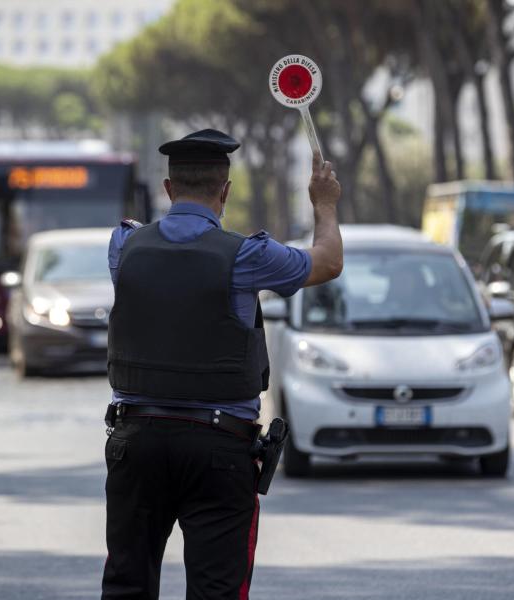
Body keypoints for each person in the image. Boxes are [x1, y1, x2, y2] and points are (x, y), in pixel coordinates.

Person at [101, 128, 342, 600]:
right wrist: (325, 203)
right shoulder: (247, 257)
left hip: (136, 443)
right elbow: (328, 262)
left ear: (169, 189)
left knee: (126, 586)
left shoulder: (123, 246)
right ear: (225, 191)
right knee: (217, 591)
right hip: (218, 449)